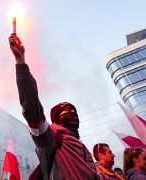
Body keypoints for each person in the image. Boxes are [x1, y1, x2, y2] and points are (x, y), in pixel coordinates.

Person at [9, 33, 99, 180]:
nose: (72, 114)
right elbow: (32, 108)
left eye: (73, 111)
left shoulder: (82, 147)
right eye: (67, 112)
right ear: (57, 118)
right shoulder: (49, 139)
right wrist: (20, 61)